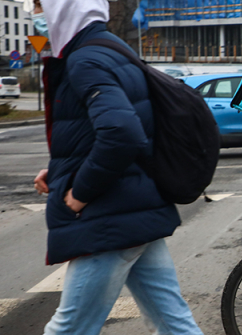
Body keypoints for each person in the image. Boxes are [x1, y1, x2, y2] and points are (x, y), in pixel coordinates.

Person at [31, 0, 204, 334]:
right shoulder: (113, 47)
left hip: (108, 219)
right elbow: (104, 129)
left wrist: (80, 191)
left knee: (68, 329)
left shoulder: (85, 59)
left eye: (41, 5)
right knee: (174, 325)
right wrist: (58, 173)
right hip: (133, 208)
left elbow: (122, 134)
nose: (37, 14)